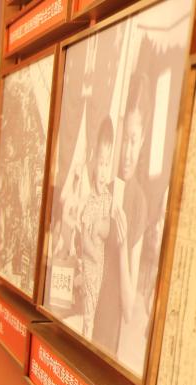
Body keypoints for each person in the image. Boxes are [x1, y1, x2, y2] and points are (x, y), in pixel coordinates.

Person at [95, 71, 151, 357]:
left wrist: (122, 243)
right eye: (124, 140)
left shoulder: (139, 203)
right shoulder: (104, 181)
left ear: (142, 141)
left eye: (133, 140)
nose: (127, 152)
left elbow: (129, 308)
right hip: (81, 321)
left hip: (105, 340)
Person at [78, 117, 114, 334]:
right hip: (91, 266)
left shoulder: (108, 198)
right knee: (88, 316)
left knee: (96, 313)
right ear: (94, 164)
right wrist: (94, 256)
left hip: (101, 269)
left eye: (107, 164)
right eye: (101, 164)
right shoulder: (89, 198)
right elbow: (85, 239)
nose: (103, 171)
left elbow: (107, 230)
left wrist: (101, 226)